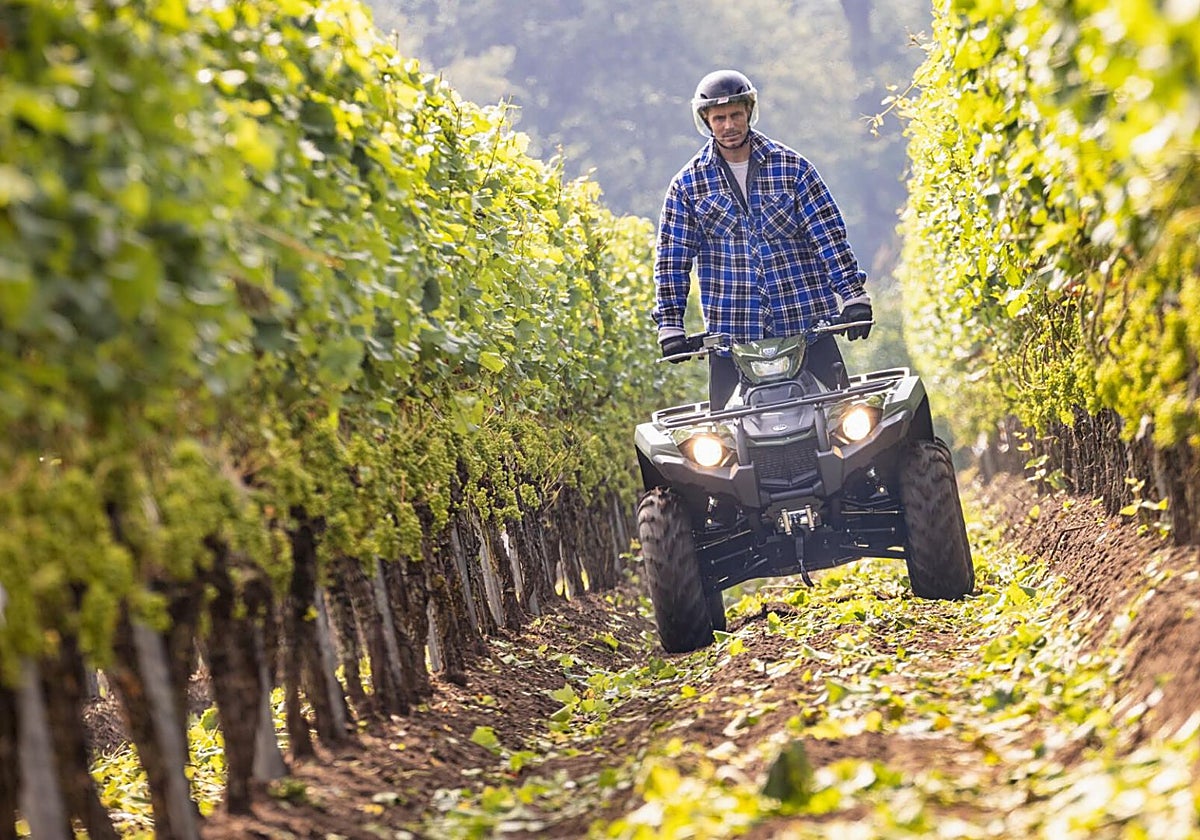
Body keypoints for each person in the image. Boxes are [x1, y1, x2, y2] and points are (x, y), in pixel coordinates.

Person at [653, 68, 872, 409]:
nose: (729, 125)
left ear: (749, 113)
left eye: (735, 115)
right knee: (720, 446)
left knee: (849, 420)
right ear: (706, 121)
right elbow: (672, 260)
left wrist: (853, 295)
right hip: (732, 340)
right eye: (720, 118)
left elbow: (828, 234)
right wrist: (670, 325)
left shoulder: (793, 168)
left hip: (807, 328)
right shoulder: (687, 186)